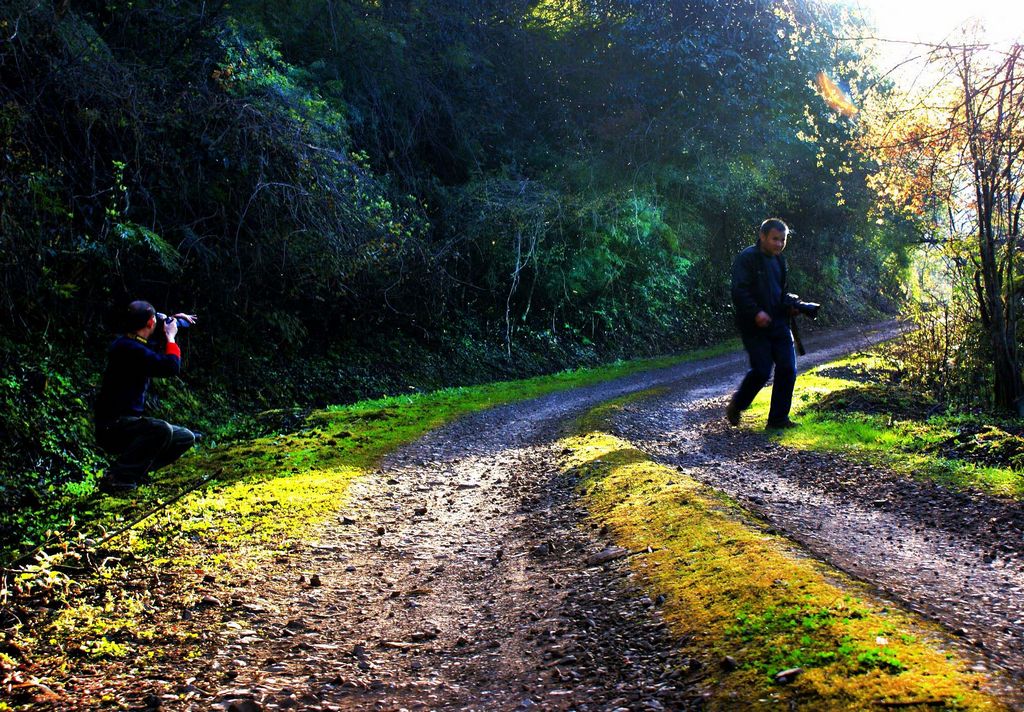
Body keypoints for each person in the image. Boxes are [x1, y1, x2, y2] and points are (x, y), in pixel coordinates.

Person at [94, 300, 198, 491]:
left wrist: (173, 320)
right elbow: (170, 366)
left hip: (127, 424)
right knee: (161, 429)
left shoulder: (130, 343)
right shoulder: (128, 349)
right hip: (113, 426)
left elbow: (150, 343)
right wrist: (171, 339)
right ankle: (118, 476)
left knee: (184, 437)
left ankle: (136, 472)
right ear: (150, 323)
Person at [725, 218, 800, 429]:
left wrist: (791, 307)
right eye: (775, 239)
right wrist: (756, 312)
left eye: (782, 240)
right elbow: (739, 291)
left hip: (779, 323)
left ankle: (778, 420)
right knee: (762, 370)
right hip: (754, 326)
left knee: (788, 369)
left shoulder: (780, 261)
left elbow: (780, 293)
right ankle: (737, 404)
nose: (779, 244)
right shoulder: (747, 259)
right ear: (763, 236)